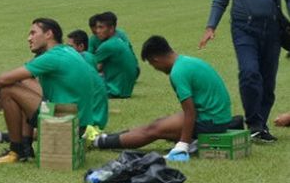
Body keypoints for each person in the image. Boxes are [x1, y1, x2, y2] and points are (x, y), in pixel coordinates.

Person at [199, 0, 290, 143]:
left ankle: (260, 126)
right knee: (249, 73)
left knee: (267, 81)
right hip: (244, 29)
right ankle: (254, 122)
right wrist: (211, 26)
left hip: (272, 30)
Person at [88, 35, 235, 162]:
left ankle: (99, 143)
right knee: (159, 123)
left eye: (152, 65)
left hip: (210, 121)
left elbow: (190, 112)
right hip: (219, 117)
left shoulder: (177, 73)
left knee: (154, 130)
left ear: (156, 59)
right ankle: (105, 138)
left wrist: (183, 144)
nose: (156, 69)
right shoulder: (187, 61)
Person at [0, 18, 101, 164]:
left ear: (48, 34)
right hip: (77, 123)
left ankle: (16, 151)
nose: (29, 38)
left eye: (33, 33)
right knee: (23, 82)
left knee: (7, 90)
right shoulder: (66, 50)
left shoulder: (53, 57)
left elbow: (2, 79)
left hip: (66, 122)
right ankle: (26, 147)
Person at [93, 12, 139, 98]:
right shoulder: (119, 41)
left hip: (113, 90)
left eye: (101, 27)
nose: (97, 31)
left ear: (111, 28)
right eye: (97, 27)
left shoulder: (107, 46)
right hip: (125, 89)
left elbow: (89, 69)